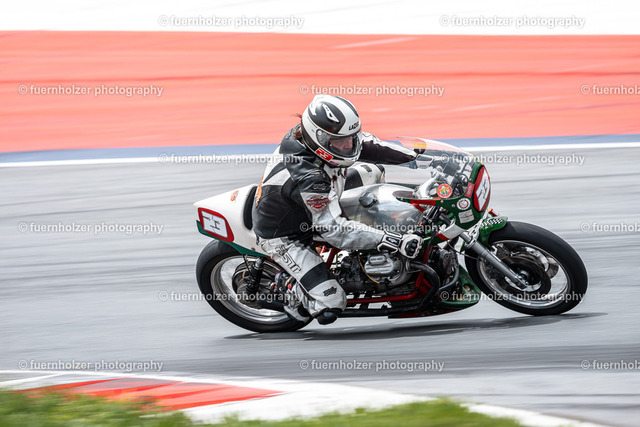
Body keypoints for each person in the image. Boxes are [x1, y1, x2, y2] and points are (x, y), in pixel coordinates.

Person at [252, 95, 423, 325]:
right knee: (331, 304)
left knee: (374, 171)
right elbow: (334, 231)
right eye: (340, 141)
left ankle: (365, 235)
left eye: (351, 138)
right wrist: (391, 240)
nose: (348, 146)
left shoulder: (314, 138)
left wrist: (418, 157)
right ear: (319, 138)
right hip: (287, 235)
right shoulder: (309, 178)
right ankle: (288, 285)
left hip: (322, 190)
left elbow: (371, 146)